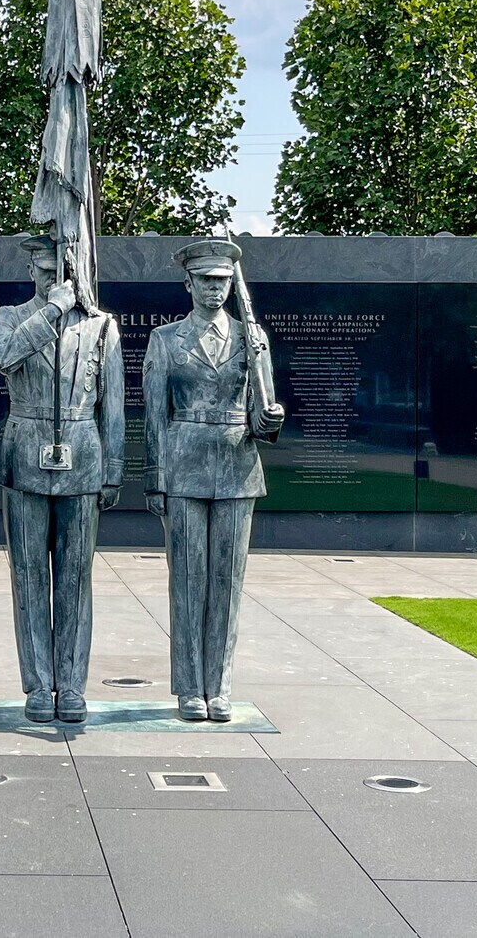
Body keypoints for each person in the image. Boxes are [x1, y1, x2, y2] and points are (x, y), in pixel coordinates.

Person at [141, 238, 286, 721]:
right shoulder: (165, 340)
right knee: (187, 581)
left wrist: (271, 416)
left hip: (237, 466)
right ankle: (188, 687)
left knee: (227, 582)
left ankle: (218, 685)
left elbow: (262, 419)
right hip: (183, 464)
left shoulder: (253, 337)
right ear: (188, 283)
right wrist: (155, 477)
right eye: (205, 280)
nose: (214, 290)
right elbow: (154, 416)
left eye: (222, 281)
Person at [0, 234, 124, 724]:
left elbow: (112, 405)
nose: (54, 280)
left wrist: (113, 470)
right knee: (27, 577)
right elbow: (3, 357)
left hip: (82, 455)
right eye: (45, 273)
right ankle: (37, 683)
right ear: (31, 272)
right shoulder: (11, 317)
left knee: (74, 577)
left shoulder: (101, 325)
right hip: (25, 454)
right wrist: (52, 309)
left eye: (61, 272)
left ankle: (71, 682)